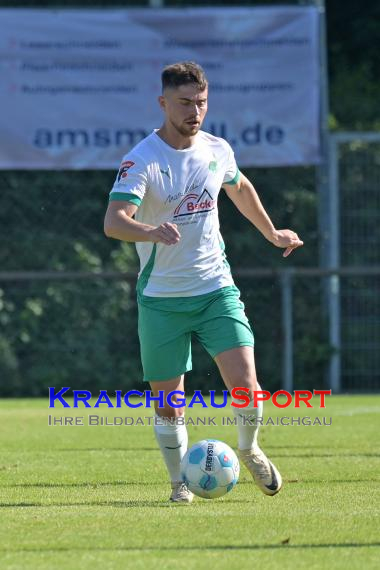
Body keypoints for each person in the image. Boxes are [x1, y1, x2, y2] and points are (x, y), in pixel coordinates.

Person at [104, 61, 303, 504]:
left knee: (247, 386)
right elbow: (114, 222)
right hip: (161, 299)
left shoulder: (217, 148)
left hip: (216, 289)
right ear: (163, 103)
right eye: (184, 103)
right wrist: (150, 231)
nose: (195, 111)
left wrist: (272, 233)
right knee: (169, 405)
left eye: (201, 102)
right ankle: (179, 485)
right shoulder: (143, 159)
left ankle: (250, 449)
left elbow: (240, 186)